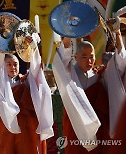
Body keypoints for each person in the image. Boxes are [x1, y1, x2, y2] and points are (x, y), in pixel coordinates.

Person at [52, 17, 126, 154]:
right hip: (76, 127)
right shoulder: (70, 76)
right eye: (84, 57)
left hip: (98, 131)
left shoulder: (100, 76)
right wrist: (68, 34)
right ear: (76, 57)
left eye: (91, 56)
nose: (89, 60)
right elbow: (61, 63)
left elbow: (120, 63)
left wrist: (117, 33)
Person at [0, 33, 54, 154]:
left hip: (26, 129)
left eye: (15, 64)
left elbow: (36, 69)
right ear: (3, 66)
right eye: (9, 64)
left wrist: (33, 47)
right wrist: (2, 45)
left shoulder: (26, 81)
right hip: (4, 128)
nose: (13, 67)